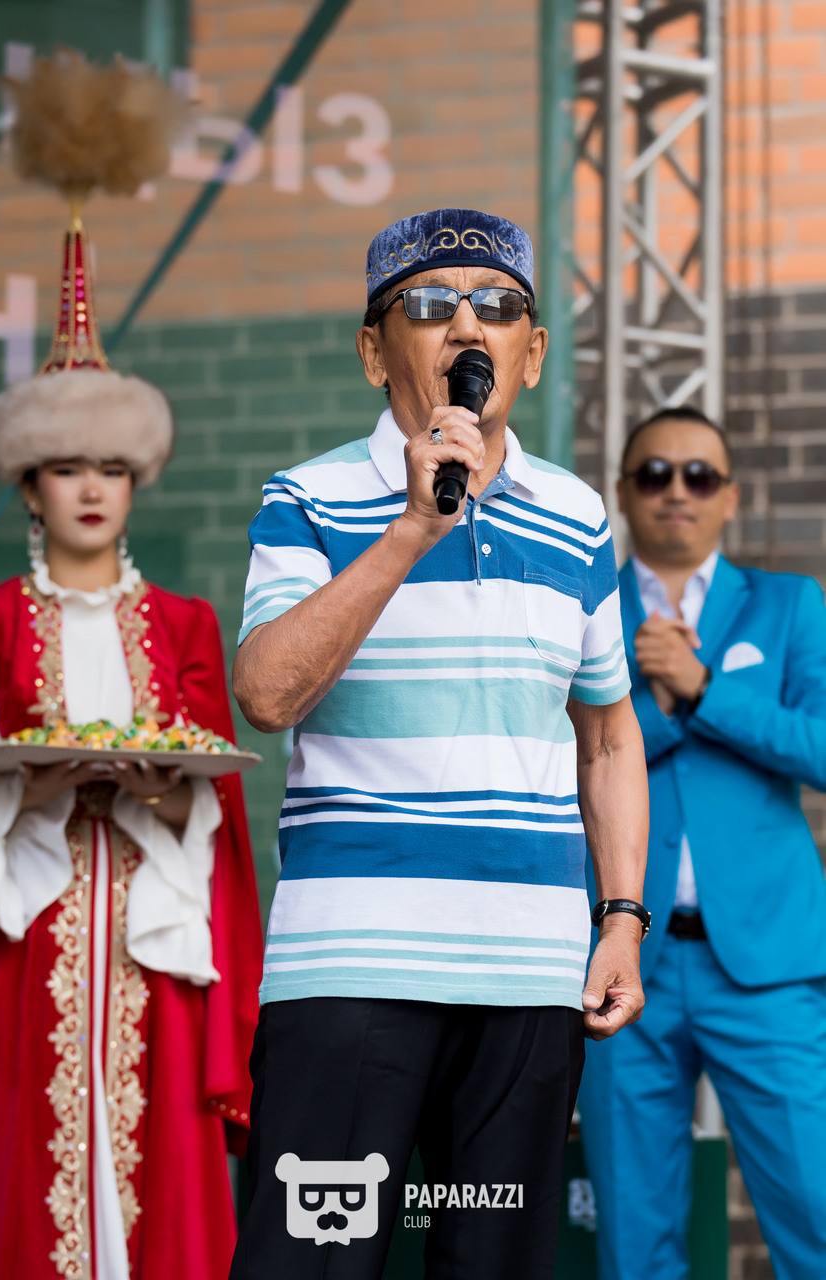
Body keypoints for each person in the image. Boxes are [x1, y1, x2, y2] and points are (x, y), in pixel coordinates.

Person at [229, 208, 650, 1280]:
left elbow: (608, 736)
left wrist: (619, 919)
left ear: (531, 351)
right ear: (375, 352)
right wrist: (413, 526)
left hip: (527, 978)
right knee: (310, 1265)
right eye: (428, 304)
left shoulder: (577, 515)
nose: (467, 326)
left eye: (497, 306)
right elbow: (266, 694)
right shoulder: (309, 496)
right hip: (350, 970)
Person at [0, 215, 262, 1280]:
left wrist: (161, 787)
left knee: (160, 1171)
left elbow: (215, 806)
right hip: (23, 937)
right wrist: (28, 786)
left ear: (138, 479)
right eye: (64, 467)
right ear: (28, 484)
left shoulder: (184, 623)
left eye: (110, 466)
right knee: (17, 1156)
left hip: (152, 934)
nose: (90, 488)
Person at [578, 406, 826, 1280]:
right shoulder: (586, 609)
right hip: (621, 960)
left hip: (765, 965)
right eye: (654, 474)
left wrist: (705, 688)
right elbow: (560, 763)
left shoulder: (788, 605)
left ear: (730, 497)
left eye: (699, 475)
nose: (675, 491)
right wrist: (658, 705)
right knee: (634, 1241)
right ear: (622, 493)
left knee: (816, 1215)